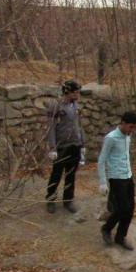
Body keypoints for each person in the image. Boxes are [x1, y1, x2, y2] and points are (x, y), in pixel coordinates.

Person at [97, 111, 136, 250]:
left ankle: (120, 237)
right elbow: (101, 160)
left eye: (134, 128)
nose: (132, 130)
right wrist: (103, 182)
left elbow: (125, 156)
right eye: (130, 127)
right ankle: (106, 228)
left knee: (130, 208)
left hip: (128, 175)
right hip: (116, 177)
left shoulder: (128, 137)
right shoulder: (111, 138)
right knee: (123, 208)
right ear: (123, 123)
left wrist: (131, 174)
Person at [45, 80, 86, 214]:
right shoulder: (56, 106)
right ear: (67, 92)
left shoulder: (77, 106)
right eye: (75, 92)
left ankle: (68, 200)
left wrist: (82, 144)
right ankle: (50, 198)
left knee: (71, 174)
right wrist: (52, 148)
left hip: (75, 144)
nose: (77, 95)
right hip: (61, 145)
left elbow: (80, 125)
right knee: (56, 174)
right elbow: (50, 128)